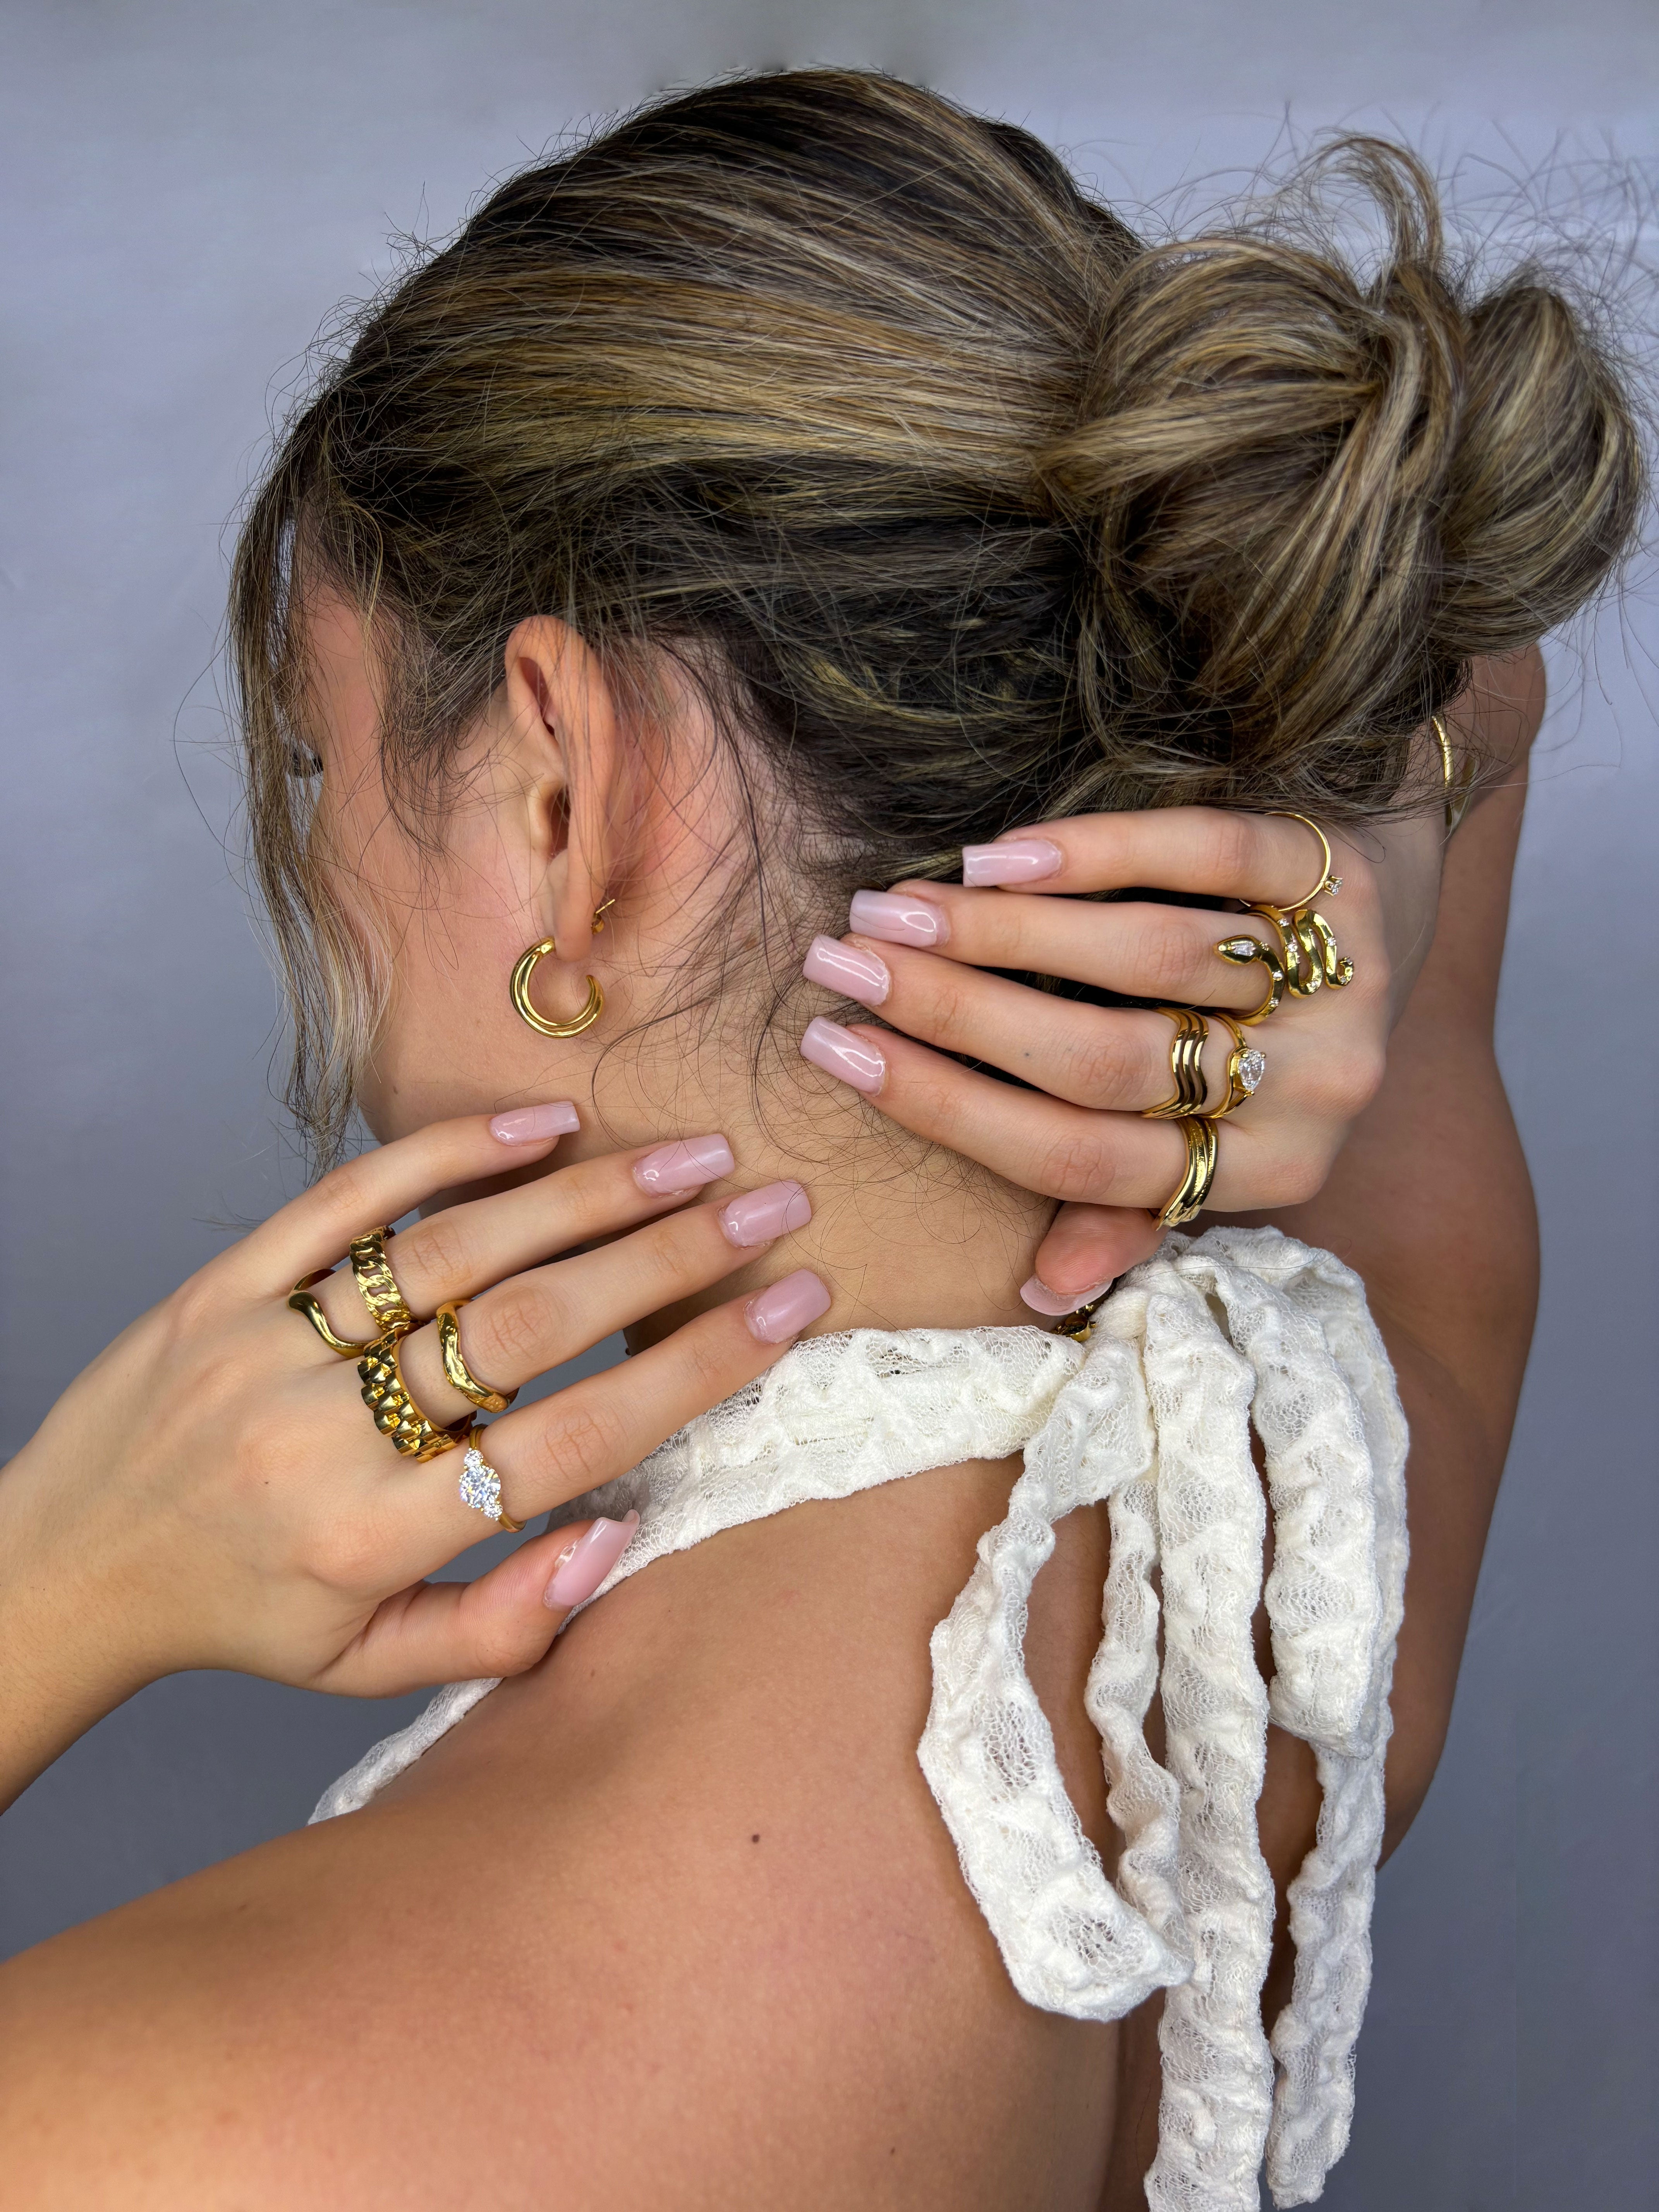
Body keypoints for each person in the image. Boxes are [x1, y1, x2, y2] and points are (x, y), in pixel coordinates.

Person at [0, 69, 1640, 2212]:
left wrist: (58, 1577)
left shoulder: (178, 2129)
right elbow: (1468, 669)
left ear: (567, 796)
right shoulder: (1291, 1570)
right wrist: (1370, 874)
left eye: (320, 763)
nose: (314, 865)